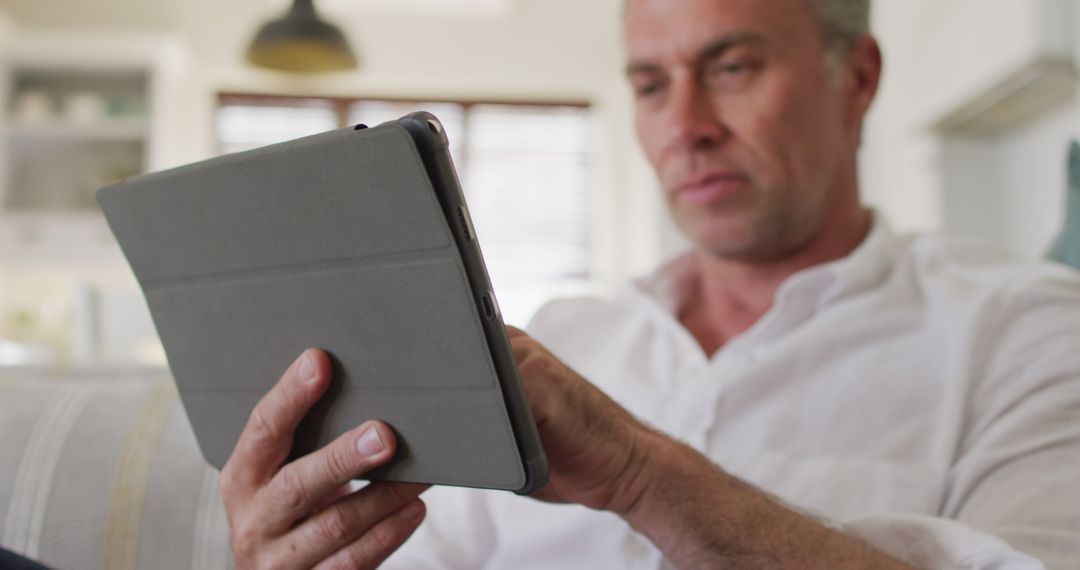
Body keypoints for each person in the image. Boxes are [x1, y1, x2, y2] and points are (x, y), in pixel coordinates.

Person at [219, 0, 1080, 568]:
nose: (684, 128)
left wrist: (642, 473)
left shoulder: (1026, 333)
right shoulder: (560, 338)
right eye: (649, 85)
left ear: (855, 80)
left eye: (733, 67)